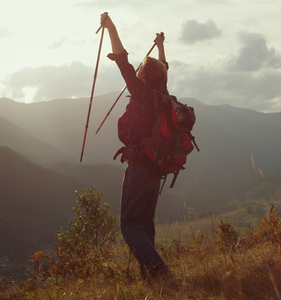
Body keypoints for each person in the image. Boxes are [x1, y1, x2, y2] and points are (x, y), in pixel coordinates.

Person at [100, 12, 171, 280]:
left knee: (129, 225)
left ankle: (158, 270)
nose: (136, 73)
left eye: (140, 72)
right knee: (144, 223)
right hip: (156, 166)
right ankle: (151, 276)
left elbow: (122, 62)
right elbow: (163, 68)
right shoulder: (161, 94)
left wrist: (111, 28)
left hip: (140, 165)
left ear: (142, 76)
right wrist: (161, 46)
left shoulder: (142, 94)